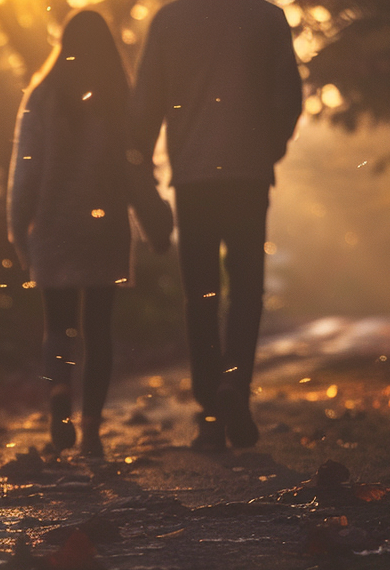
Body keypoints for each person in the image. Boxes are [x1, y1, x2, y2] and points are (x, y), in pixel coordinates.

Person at [131, 0, 303, 449]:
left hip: (193, 180)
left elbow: (145, 109)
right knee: (247, 290)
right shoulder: (266, 17)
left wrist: (144, 182)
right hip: (248, 177)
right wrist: (268, 150)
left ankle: (210, 411)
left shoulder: (169, 20)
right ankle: (235, 390)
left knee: (201, 296)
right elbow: (289, 99)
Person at [8, 10, 173, 458]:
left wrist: (18, 230)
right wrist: (157, 222)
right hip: (103, 231)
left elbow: (25, 171)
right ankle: (93, 431)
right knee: (99, 332)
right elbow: (136, 172)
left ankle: (59, 395)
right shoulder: (120, 100)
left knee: (57, 327)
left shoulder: (41, 97)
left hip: (53, 228)